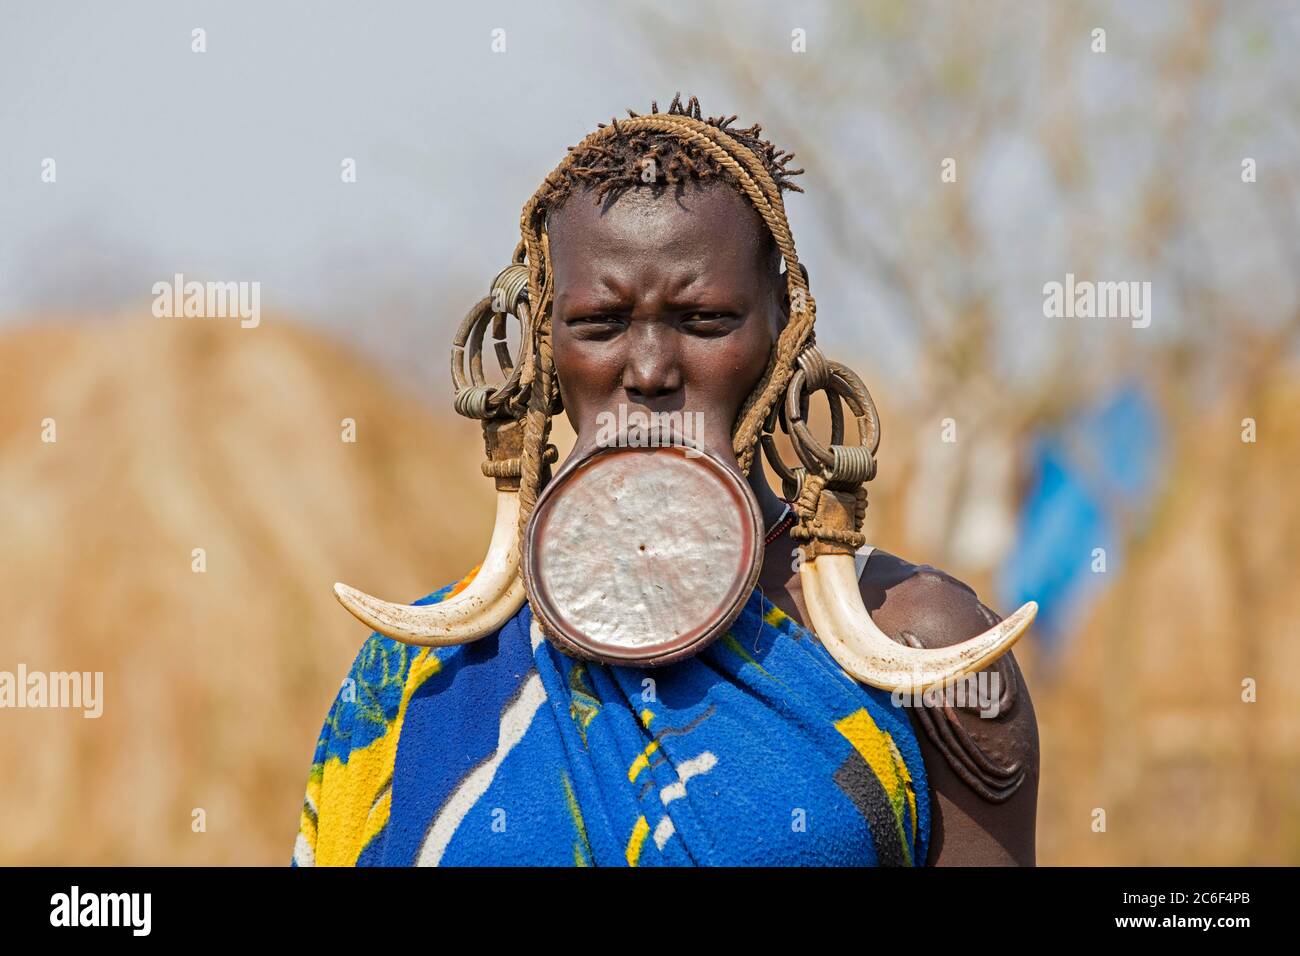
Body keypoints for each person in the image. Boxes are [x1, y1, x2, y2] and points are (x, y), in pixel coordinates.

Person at [293, 95, 1038, 867]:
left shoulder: (927, 650)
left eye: (705, 321)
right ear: (541, 341)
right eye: (601, 324)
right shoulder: (422, 676)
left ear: (784, 328)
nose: (649, 371)